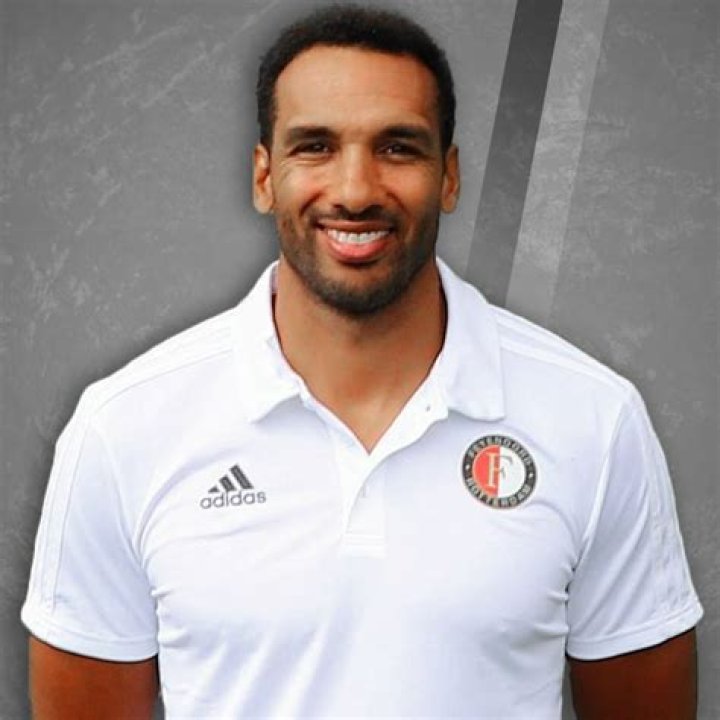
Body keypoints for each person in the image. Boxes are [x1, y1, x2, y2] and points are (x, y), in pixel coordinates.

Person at [24, 5, 702, 719]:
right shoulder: (124, 427)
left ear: (449, 177)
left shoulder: (594, 419)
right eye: (314, 146)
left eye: (398, 148)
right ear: (264, 177)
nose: (354, 190)